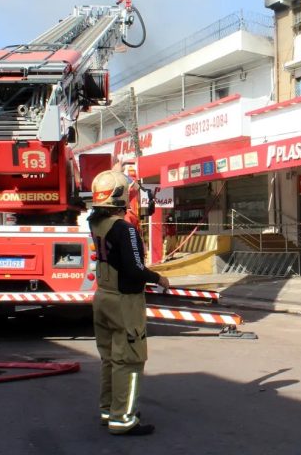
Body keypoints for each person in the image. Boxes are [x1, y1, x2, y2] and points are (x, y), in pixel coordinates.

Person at [88, 170, 171, 435]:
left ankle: (108, 409)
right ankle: (123, 418)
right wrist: (159, 278)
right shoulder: (125, 230)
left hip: (103, 296)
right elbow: (135, 269)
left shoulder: (95, 224)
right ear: (120, 196)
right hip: (124, 302)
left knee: (110, 359)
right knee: (130, 361)